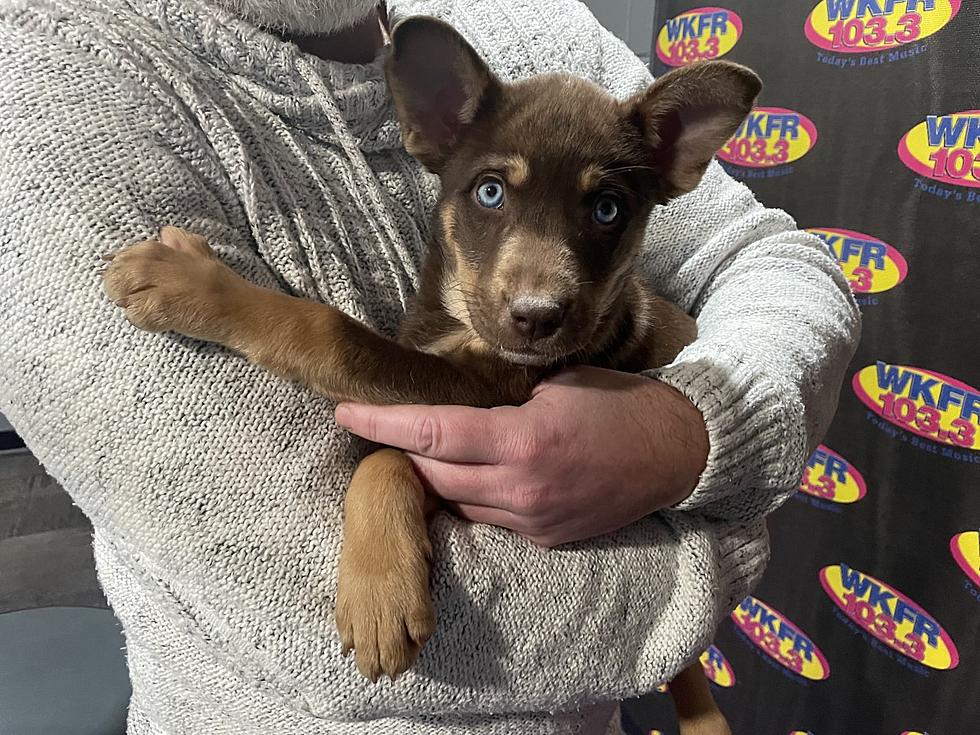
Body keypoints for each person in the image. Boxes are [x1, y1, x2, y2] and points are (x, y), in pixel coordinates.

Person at [0, 0, 860, 733]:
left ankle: (692, 692)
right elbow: (321, 619)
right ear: (435, 125)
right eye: (492, 191)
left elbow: (769, 263)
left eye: (603, 205)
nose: (540, 293)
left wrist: (691, 434)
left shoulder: (536, 25)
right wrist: (728, 535)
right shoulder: (58, 78)